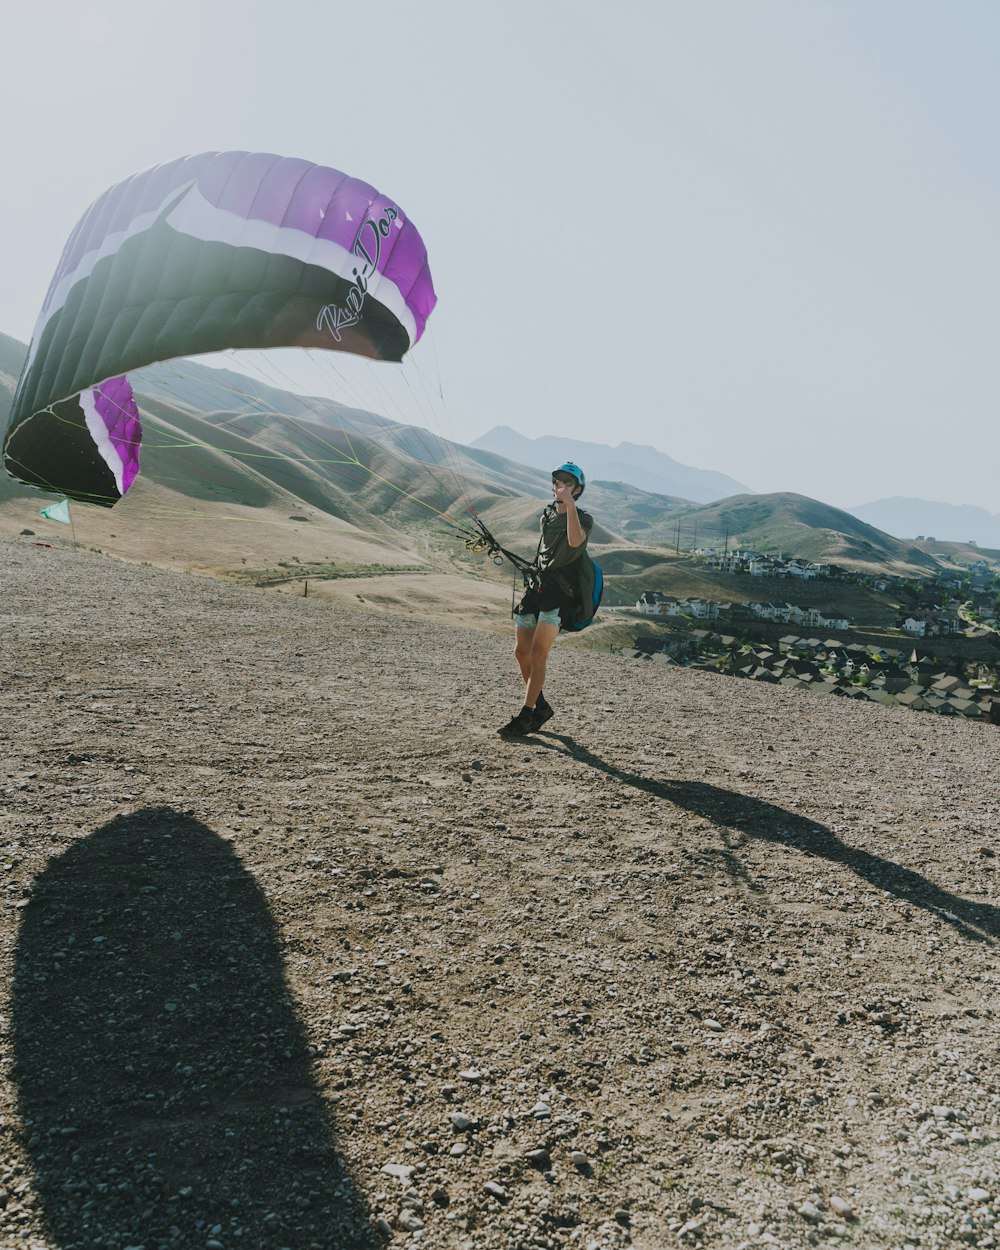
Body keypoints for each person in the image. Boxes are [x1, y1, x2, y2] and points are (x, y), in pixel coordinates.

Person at [498, 462, 594, 737]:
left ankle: (526, 716)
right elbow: (546, 553)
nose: (560, 485)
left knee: (539, 653)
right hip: (538, 588)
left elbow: (575, 543)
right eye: (557, 481)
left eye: (567, 482)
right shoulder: (547, 516)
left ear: (577, 490)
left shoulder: (584, 519)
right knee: (521, 652)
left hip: (560, 596)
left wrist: (570, 507)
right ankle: (540, 706)